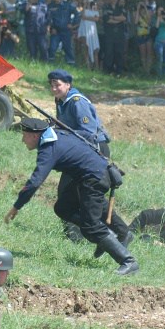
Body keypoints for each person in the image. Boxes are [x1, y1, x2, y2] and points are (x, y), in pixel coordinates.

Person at [3, 118, 138, 276]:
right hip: (90, 175)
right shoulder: (59, 133)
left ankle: (129, 261)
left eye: (24, 135)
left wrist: (16, 206)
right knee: (63, 208)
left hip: (94, 178)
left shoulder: (49, 148)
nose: (22, 140)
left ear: (34, 136)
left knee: (91, 227)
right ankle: (106, 236)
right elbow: (87, 137)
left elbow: (34, 183)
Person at [48, 69, 112, 242]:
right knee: (67, 191)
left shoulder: (77, 102)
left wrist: (61, 133)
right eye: (52, 85)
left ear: (68, 85)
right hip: (78, 150)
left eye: (58, 85)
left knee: (80, 193)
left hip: (93, 149)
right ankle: (77, 233)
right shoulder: (61, 100)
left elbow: (89, 132)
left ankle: (101, 232)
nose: (54, 89)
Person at [47, 0, 80, 65]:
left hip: (66, 31)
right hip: (56, 31)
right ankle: (50, 63)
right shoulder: (50, 6)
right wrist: (52, 28)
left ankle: (71, 64)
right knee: (52, 48)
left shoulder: (68, 5)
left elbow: (77, 14)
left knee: (68, 48)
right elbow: (48, 19)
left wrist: (72, 24)